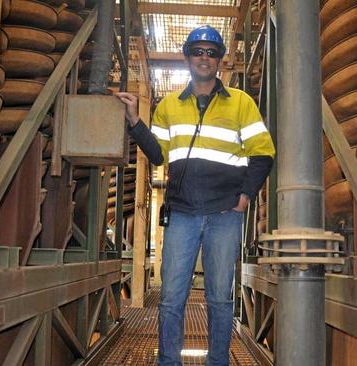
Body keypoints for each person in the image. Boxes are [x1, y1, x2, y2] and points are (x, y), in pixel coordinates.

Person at [116, 25, 275, 366]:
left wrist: (246, 195)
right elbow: (158, 155)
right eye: (198, 51)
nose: (205, 58)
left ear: (220, 60)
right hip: (183, 213)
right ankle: (168, 362)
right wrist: (134, 122)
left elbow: (263, 154)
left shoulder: (242, 104)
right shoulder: (169, 106)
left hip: (225, 214)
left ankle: (217, 362)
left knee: (219, 298)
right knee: (172, 297)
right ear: (187, 57)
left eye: (212, 52)